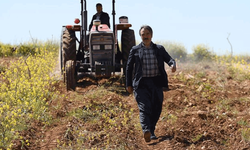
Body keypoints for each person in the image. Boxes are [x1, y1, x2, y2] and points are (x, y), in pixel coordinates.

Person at [126, 25, 176, 143]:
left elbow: (169, 59)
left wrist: (172, 64)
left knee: (157, 107)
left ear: (151, 35)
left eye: (147, 34)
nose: (145, 36)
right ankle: (146, 130)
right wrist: (128, 84)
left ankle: (151, 131)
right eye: (143, 34)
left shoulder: (159, 49)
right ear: (140, 36)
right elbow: (128, 68)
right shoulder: (135, 50)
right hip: (141, 84)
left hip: (156, 82)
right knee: (144, 108)